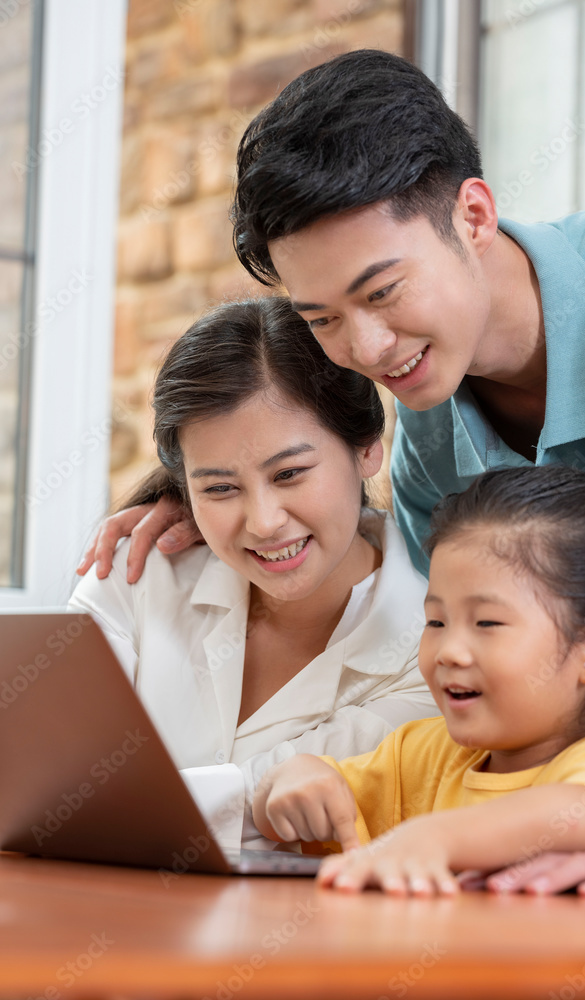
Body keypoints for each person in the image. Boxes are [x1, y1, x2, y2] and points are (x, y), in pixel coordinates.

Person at [80, 50, 585, 896]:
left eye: (382, 292)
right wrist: (213, 494)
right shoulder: (430, 446)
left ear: (475, 215)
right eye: (323, 319)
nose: (365, 350)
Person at [69, 296, 436, 850]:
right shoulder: (136, 573)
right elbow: (43, 767)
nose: (264, 523)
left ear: (367, 450)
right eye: (219, 488)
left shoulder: (436, 638)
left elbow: (274, 795)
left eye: (289, 473)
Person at [253, 466, 585, 896]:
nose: (448, 651)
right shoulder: (418, 755)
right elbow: (291, 806)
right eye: (437, 621)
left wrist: (433, 838)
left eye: (487, 622)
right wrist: (288, 780)